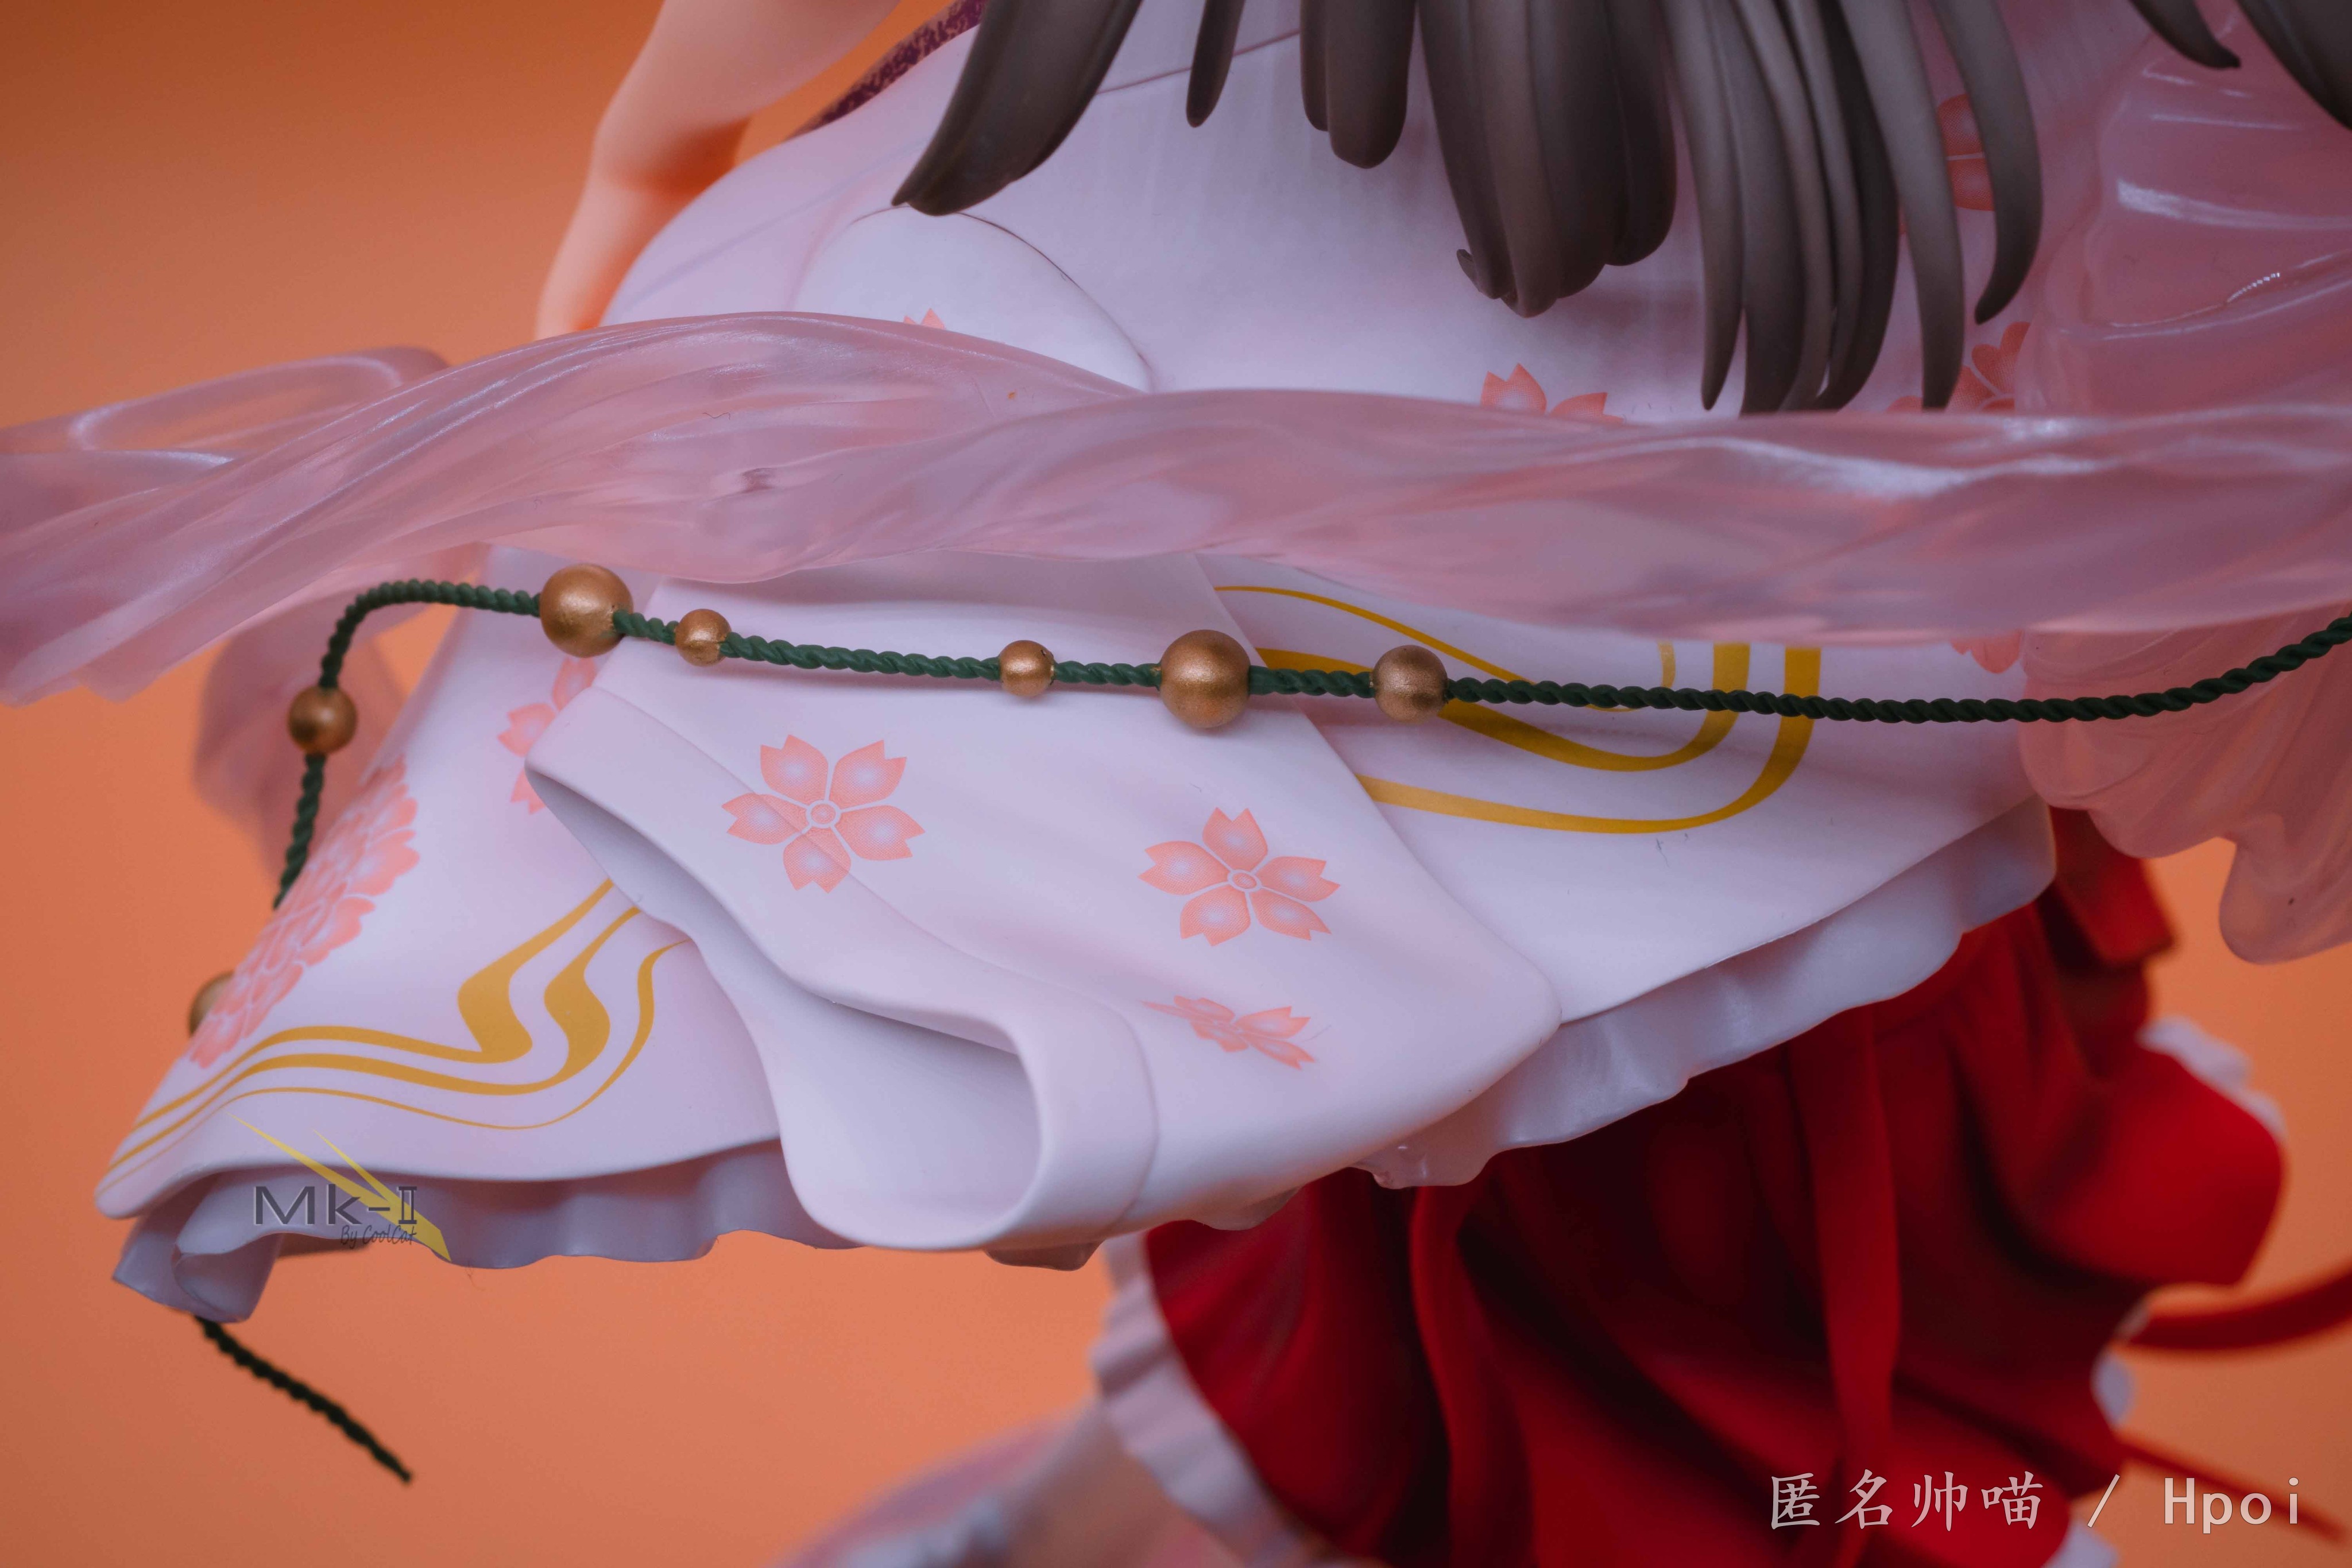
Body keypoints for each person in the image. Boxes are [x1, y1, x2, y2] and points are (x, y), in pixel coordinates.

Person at [4, 0, 2350, 1562]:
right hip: (1480, 387)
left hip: (1855, 456)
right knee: (1535, 1214)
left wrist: (651, 183)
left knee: (1753, 1156)